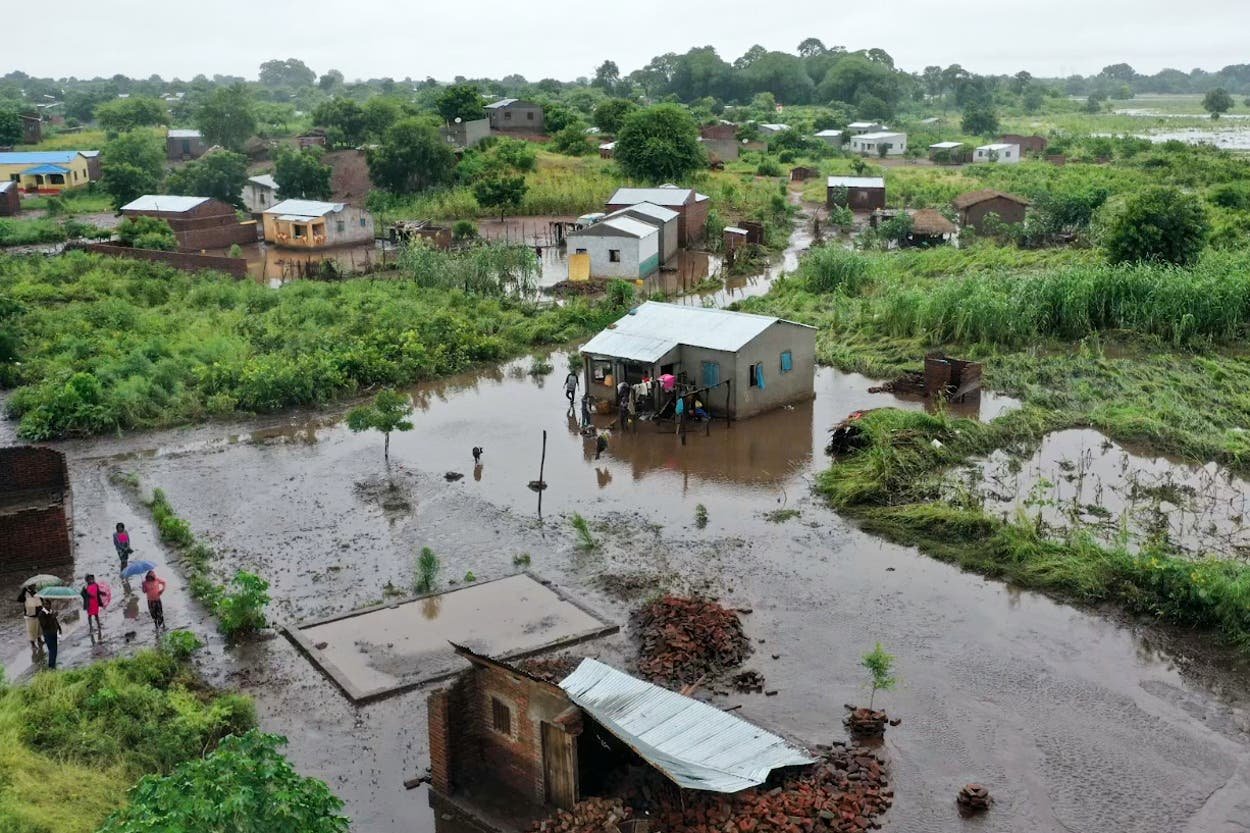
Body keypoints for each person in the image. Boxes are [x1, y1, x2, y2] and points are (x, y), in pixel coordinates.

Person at [36, 600, 62, 670]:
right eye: (45, 604)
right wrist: (52, 617)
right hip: (48, 634)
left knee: (55, 650)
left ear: (50, 605)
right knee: (52, 650)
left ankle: (53, 664)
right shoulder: (41, 614)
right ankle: (51, 666)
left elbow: (55, 621)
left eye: (48, 604)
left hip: (54, 632)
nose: (47, 606)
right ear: (43, 605)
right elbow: (44, 625)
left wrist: (59, 628)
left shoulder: (51, 611)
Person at [18, 586, 43, 655]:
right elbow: (20, 600)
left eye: (34, 585)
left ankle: (39, 640)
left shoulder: (37, 591)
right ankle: (33, 644)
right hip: (30, 615)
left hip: (38, 614)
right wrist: (23, 591)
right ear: (28, 586)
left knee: (38, 629)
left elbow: (41, 600)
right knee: (31, 630)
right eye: (32, 585)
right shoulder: (25, 593)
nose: (34, 586)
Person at [81, 574, 104, 643]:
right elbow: (82, 594)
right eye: (89, 579)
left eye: (92, 579)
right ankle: (91, 626)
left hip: (95, 602)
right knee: (90, 615)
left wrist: (103, 593)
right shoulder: (85, 587)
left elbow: (98, 592)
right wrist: (89, 595)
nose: (91, 580)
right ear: (87, 580)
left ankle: (98, 625)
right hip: (89, 603)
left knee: (96, 614)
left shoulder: (96, 585)